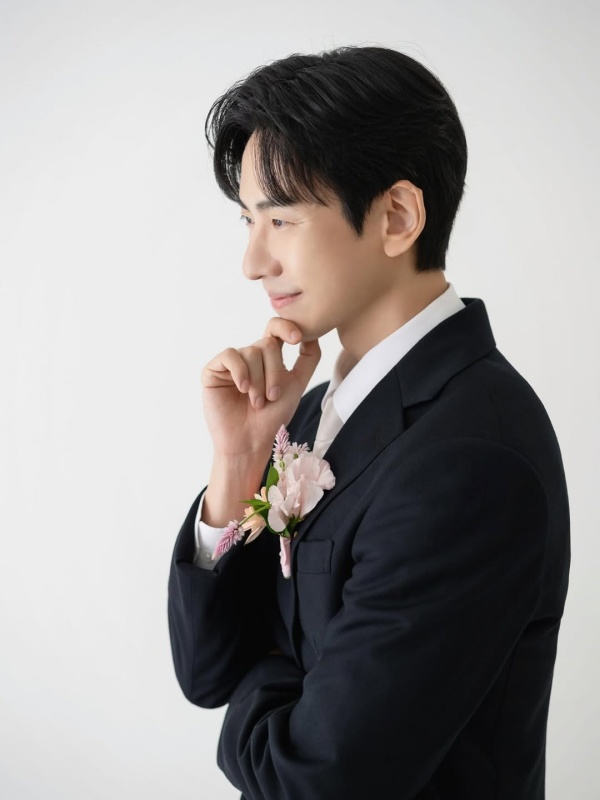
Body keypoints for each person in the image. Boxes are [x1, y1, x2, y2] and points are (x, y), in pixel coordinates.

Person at [167, 45, 570, 799]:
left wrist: (265, 673)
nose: (252, 260)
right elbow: (205, 671)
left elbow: (319, 781)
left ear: (397, 217)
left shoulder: (469, 457)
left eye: (280, 217)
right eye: (248, 220)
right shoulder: (312, 409)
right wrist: (238, 462)